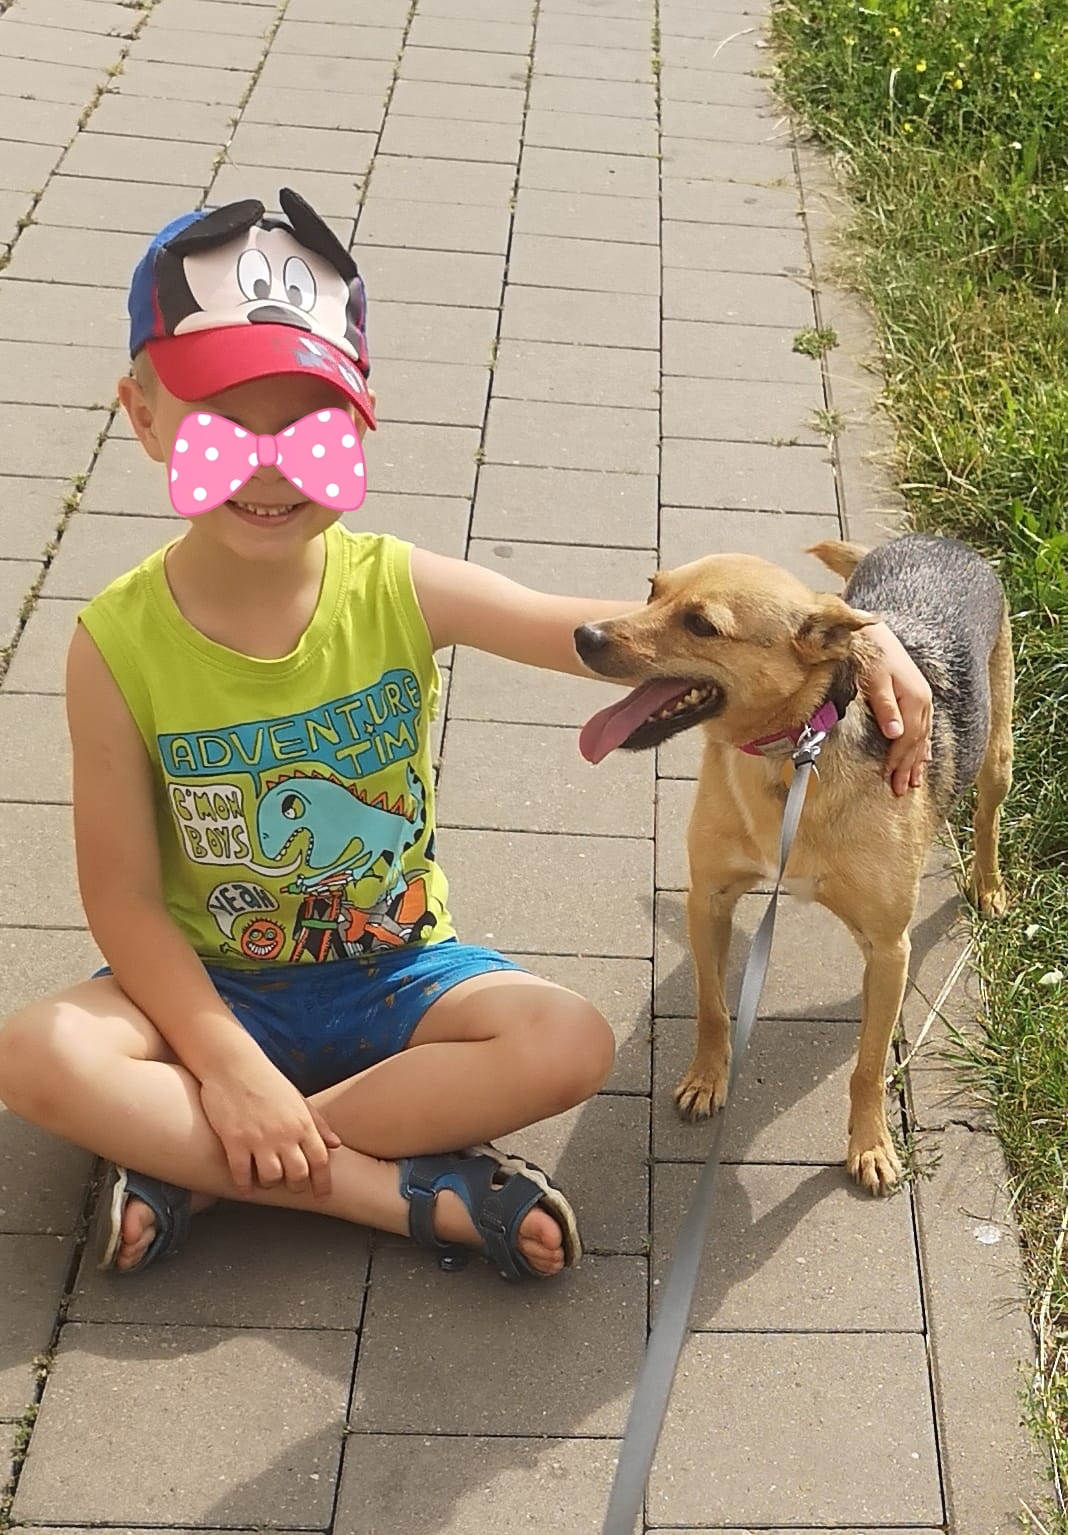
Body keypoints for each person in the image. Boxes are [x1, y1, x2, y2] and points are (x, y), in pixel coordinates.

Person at [0, 189, 932, 1282]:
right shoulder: (112, 644)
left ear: (361, 419)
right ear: (142, 413)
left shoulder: (398, 586)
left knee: (569, 1040)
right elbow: (121, 899)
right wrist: (227, 1061)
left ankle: (203, 1163)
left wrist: (860, 642)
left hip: (398, 974)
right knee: (34, 1053)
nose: (269, 463)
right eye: (223, 422)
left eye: (308, 425)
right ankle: (389, 1191)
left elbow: (611, 632)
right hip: (210, 984)